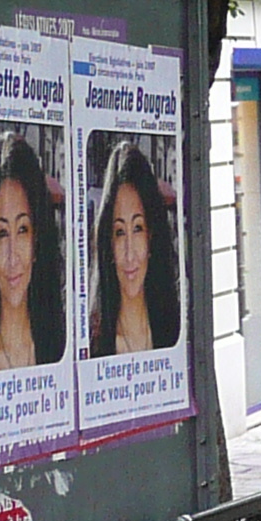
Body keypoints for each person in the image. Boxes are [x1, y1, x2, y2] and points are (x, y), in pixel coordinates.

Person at [0, 129, 66, 374]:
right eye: (1, 233)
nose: (12, 256)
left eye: (22, 229)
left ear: (38, 238)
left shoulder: (62, 345)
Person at [88, 138, 181, 357]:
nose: (130, 254)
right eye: (120, 232)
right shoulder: (94, 343)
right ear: (108, 243)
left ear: (151, 236)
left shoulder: (174, 332)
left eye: (137, 228)